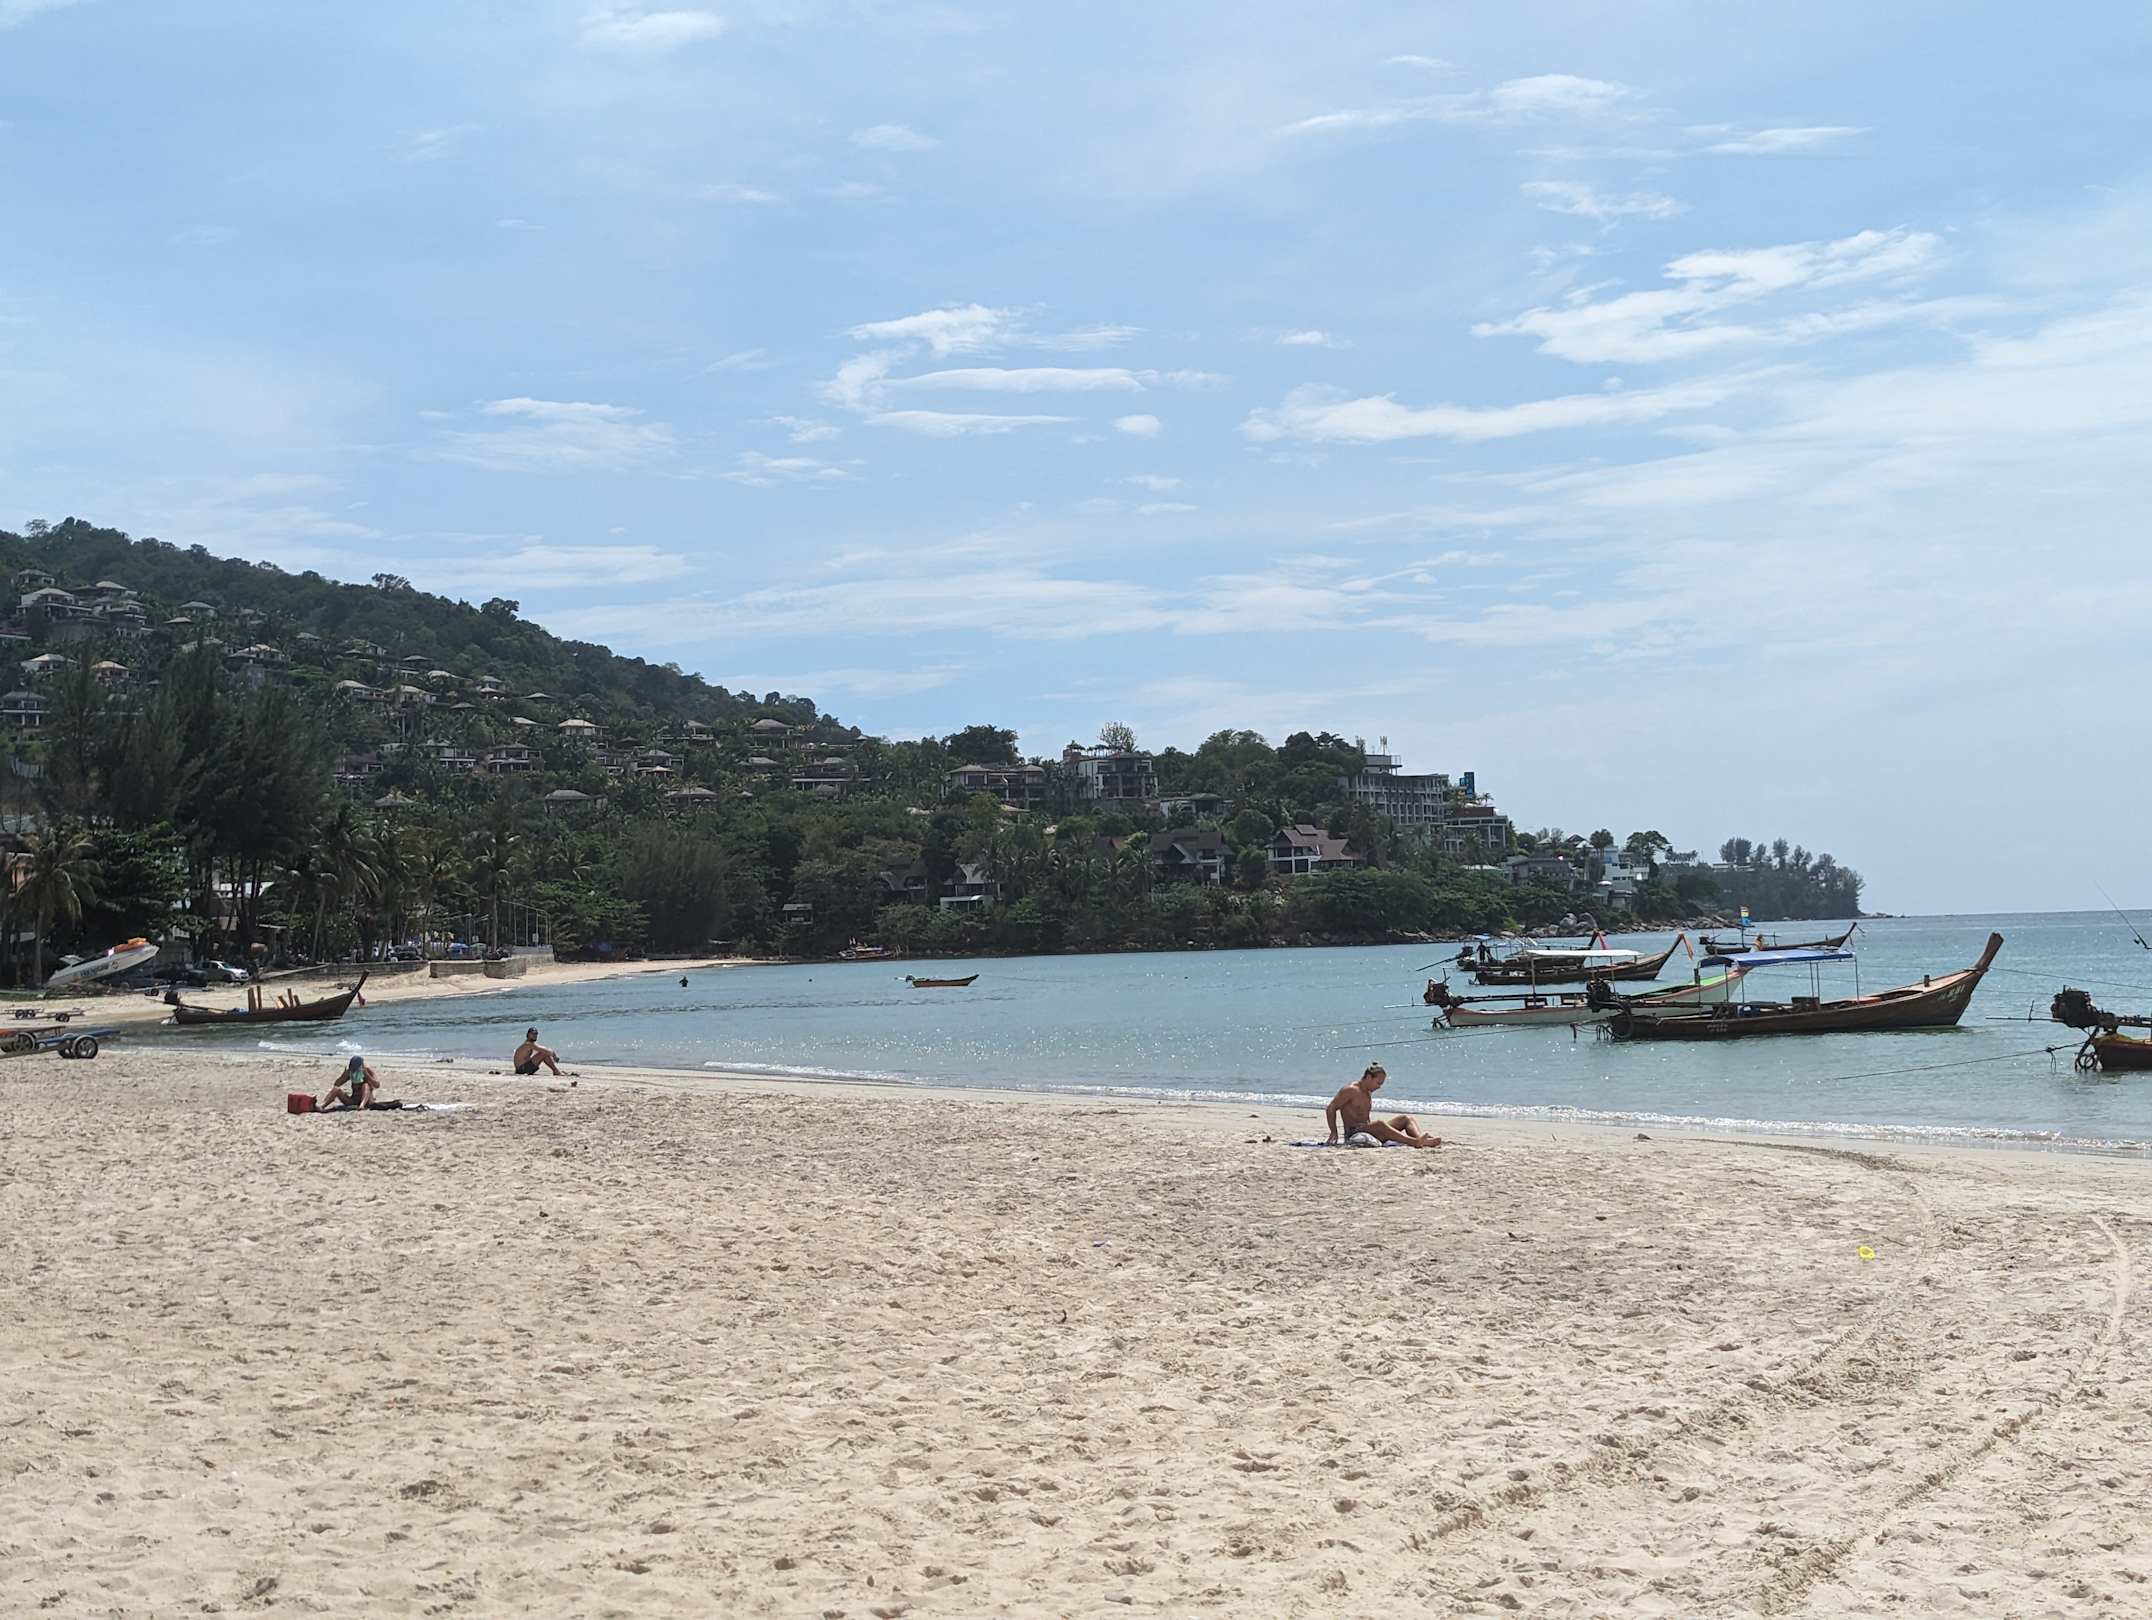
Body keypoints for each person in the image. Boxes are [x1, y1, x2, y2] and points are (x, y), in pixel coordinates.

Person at [1324, 1062, 1441, 1148]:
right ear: (1369, 1077)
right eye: (1378, 1083)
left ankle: (1421, 1138)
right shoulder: (1351, 1090)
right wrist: (1334, 1131)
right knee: (1379, 1123)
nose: (1379, 1087)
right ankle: (1415, 1142)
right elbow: (1331, 1108)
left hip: (1369, 1130)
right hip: (1354, 1132)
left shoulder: (1367, 1092)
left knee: (1405, 1119)